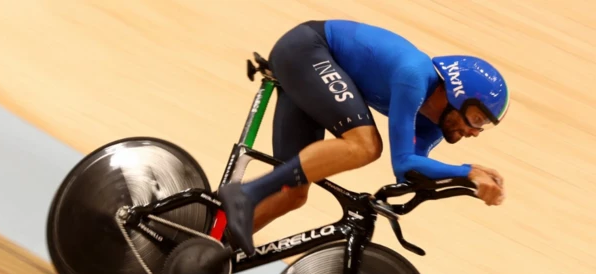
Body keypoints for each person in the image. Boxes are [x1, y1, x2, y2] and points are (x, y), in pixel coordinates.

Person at [218, 19, 510, 256]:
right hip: (307, 49)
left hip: (313, 67)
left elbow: (412, 172)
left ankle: (206, 254)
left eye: (482, 126)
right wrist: (468, 171)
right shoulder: (414, 77)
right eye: (476, 119)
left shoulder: (431, 124)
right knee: (366, 145)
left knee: (292, 194)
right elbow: (403, 163)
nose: (474, 132)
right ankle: (245, 193)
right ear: (456, 93)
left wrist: (466, 180)